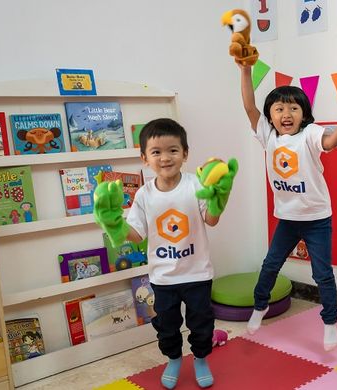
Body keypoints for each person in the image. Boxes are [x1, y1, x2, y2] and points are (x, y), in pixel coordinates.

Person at [92, 118, 237, 389]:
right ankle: (173, 359)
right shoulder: (144, 195)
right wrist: (113, 221)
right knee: (166, 326)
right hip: (162, 278)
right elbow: (136, 235)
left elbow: (212, 220)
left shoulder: (196, 184)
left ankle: (201, 358)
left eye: (172, 150)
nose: (165, 157)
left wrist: (220, 197)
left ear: (185, 154)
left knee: (201, 323)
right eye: (156, 152)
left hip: (197, 272)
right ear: (145, 158)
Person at [238, 64, 337, 350]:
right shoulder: (268, 136)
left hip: (317, 218)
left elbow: (332, 141)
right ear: (270, 115)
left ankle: (330, 323)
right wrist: (245, 70)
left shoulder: (310, 134)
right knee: (270, 264)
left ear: (304, 114)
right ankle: (259, 306)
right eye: (279, 109)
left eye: (294, 108)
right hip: (287, 218)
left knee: (322, 273)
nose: (286, 114)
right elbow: (249, 107)